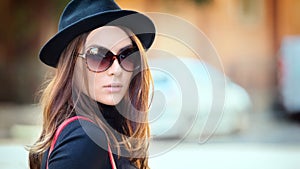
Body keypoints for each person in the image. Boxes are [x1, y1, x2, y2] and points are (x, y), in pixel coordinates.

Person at [28, 0, 156, 169]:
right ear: (72, 66)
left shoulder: (103, 130)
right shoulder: (85, 139)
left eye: (126, 55)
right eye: (98, 55)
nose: (116, 70)